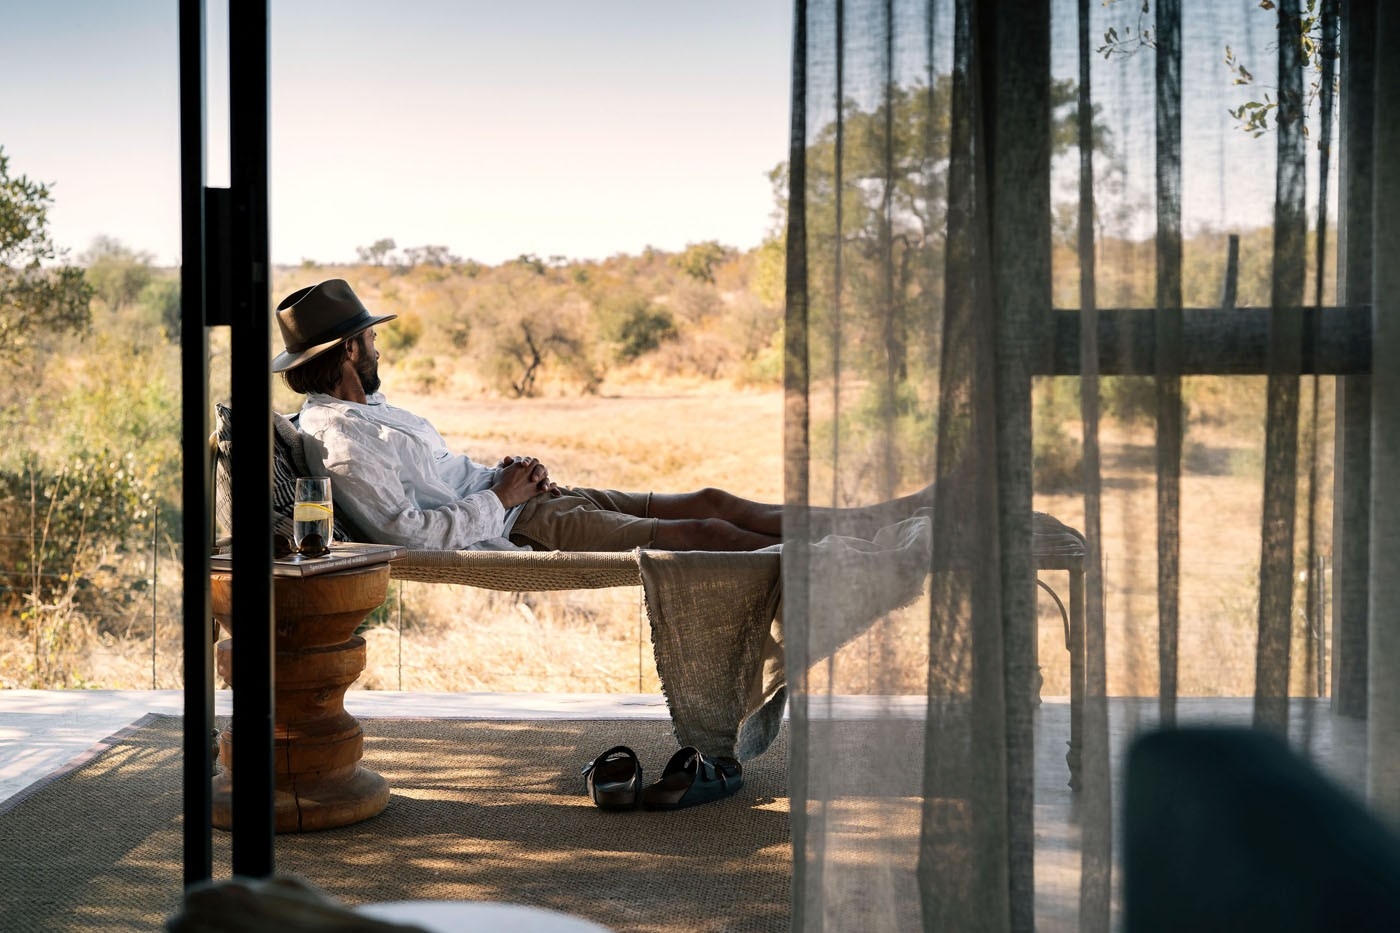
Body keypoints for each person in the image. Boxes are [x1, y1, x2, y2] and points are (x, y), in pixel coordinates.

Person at [272, 278, 806, 553]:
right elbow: (406, 534)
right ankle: (844, 561)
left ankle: (863, 527)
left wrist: (509, 474)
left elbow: (440, 476)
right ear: (348, 350)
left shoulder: (367, 411)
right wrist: (502, 496)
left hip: (519, 499)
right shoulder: (339, 440)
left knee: (711, 501)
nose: (377, 349)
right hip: (521, 523)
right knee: (708, 532)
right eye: (370, 339)